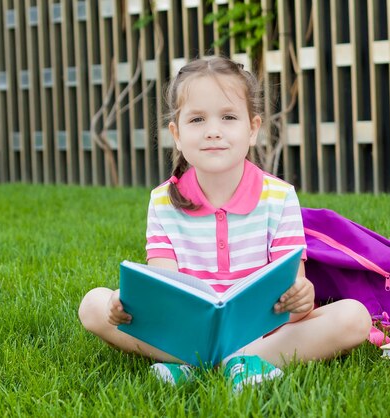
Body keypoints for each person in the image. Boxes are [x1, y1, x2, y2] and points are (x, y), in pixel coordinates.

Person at [78, 56, 371, 391]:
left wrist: (301, 297)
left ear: (252, 128)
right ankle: (206, 360)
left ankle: (222, 360)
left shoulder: (279, 196)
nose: (213, 131)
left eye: (228, 117)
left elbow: (294, 292)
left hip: (262, 332)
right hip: (184, 333)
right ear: (177, 133)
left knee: (353, 318)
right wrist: (125, 306)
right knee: (93, 305)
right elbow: (165, 291)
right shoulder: (162, 201)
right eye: (197, 119)